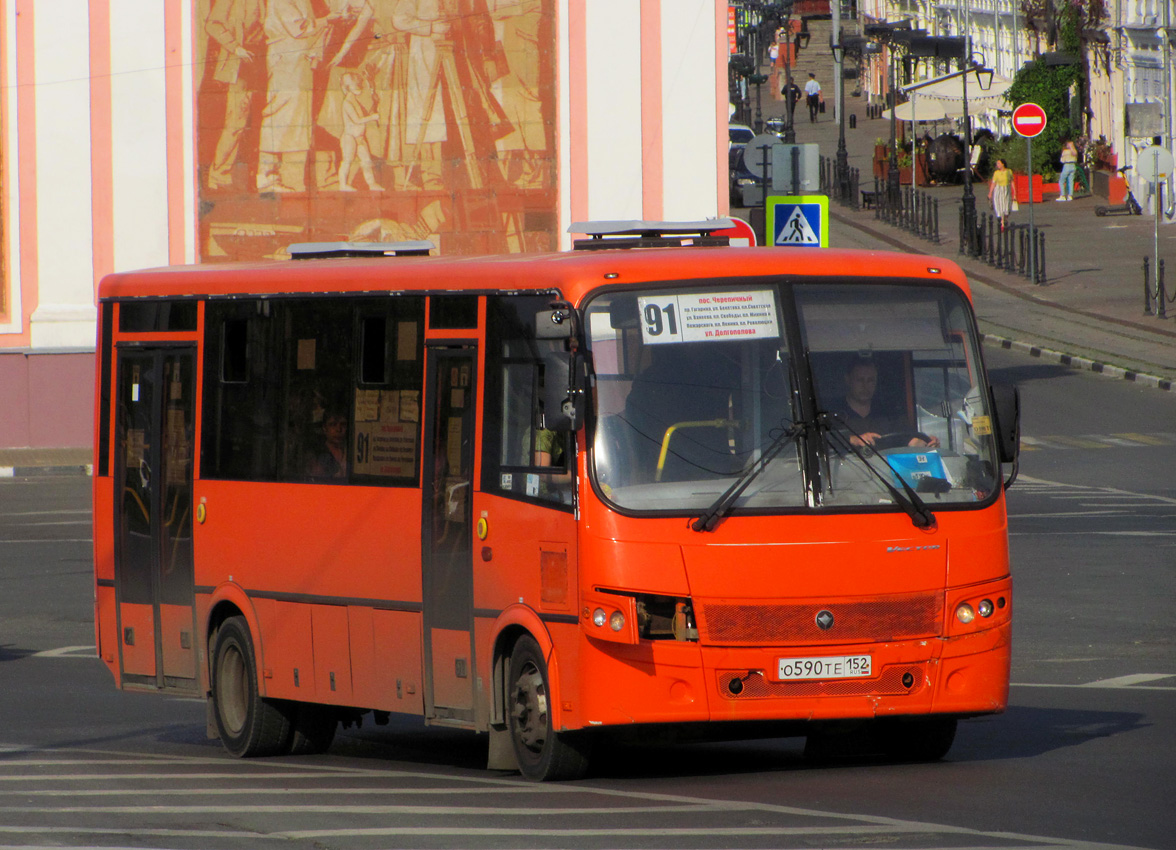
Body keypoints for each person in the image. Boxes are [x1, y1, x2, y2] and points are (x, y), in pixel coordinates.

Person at [830, 358, 938, 449]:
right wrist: (852, 439)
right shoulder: (833, 414)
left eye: (870, 380)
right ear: (848, 380)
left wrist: (927, 443)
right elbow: (823, 441)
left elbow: (908, 436)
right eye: (860, 380)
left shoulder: (889, 414)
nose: (865, 386)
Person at [309, 411, 348, 478]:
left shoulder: (352, 452)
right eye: (333, 425)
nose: (338, 429)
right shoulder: (317, 454)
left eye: (343, 424)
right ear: (324, 428)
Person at [988, 158, 1014, 230]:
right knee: (1000, 207)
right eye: (997, 164)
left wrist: (1014, 192)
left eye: (999, 163)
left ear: (1003, 164)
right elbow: (993, 183)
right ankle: (1002, 224)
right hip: (999, 191)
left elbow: (1011, 181)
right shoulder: (996, 173)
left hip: (1006, 190)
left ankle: (1005, 221)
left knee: (1006, 208)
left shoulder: (1009, 171)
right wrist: (990, 193)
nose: (997, 165)